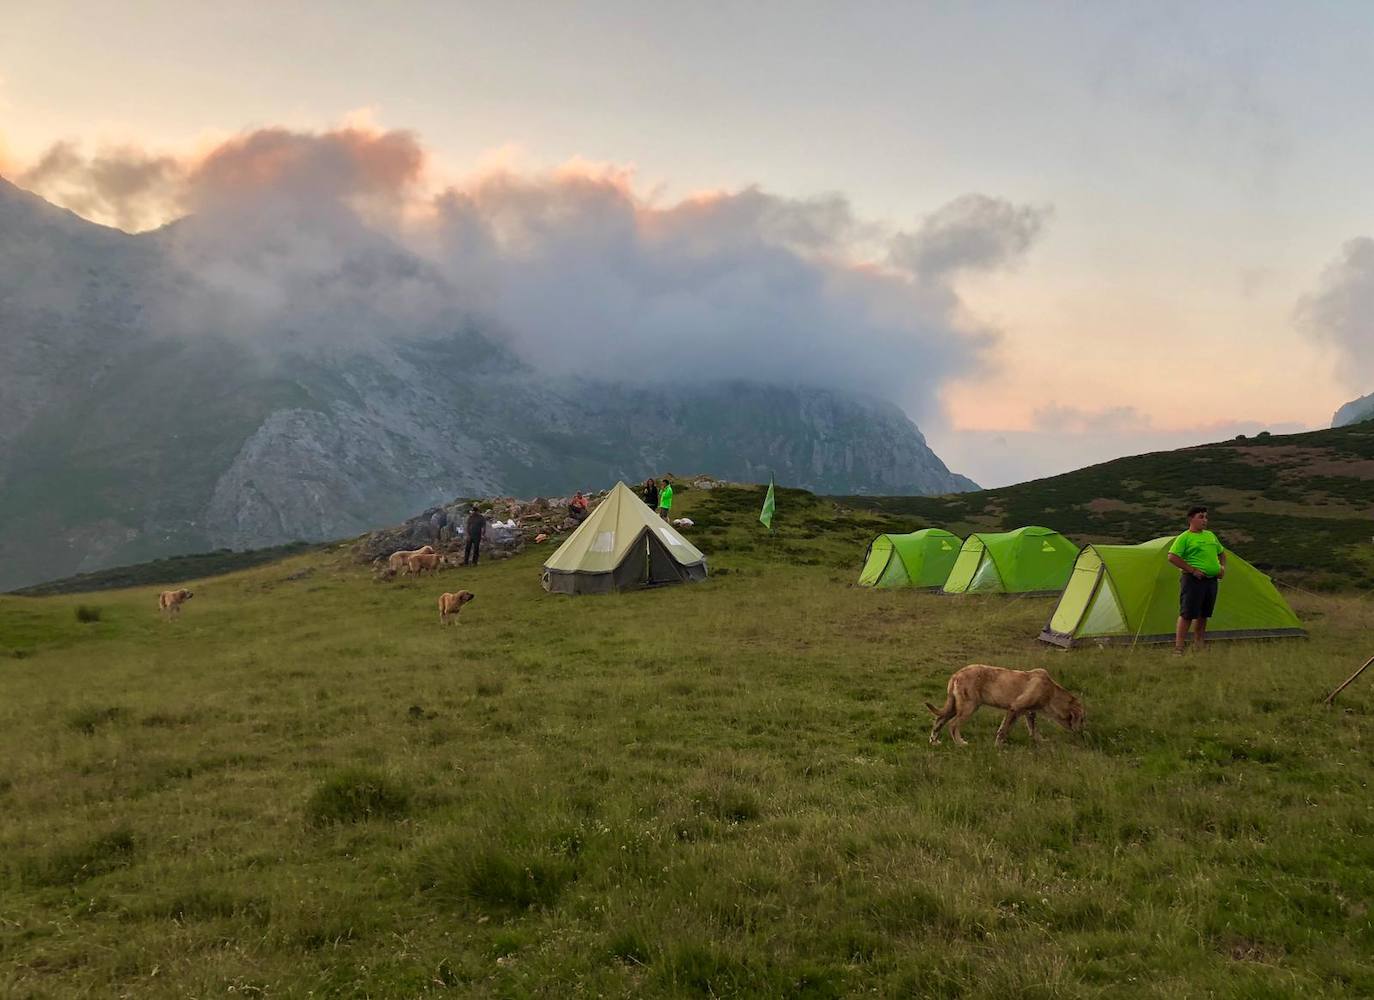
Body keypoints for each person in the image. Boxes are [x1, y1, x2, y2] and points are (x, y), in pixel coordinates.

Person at [1166, 505, 1227, 655]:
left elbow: (1222, 553)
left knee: (1203, 614)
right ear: (1191, 519)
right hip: (1193, 580)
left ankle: (1199, 644)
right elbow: (1172, 557)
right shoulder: (1184, 537)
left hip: (1211, 580)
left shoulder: (1210, 536)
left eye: (1206, 517)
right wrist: (1192, 570)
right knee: (1187, 613)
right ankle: (1179, 647)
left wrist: (1221, 568)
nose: (1204, 520)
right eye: (1201, 517)